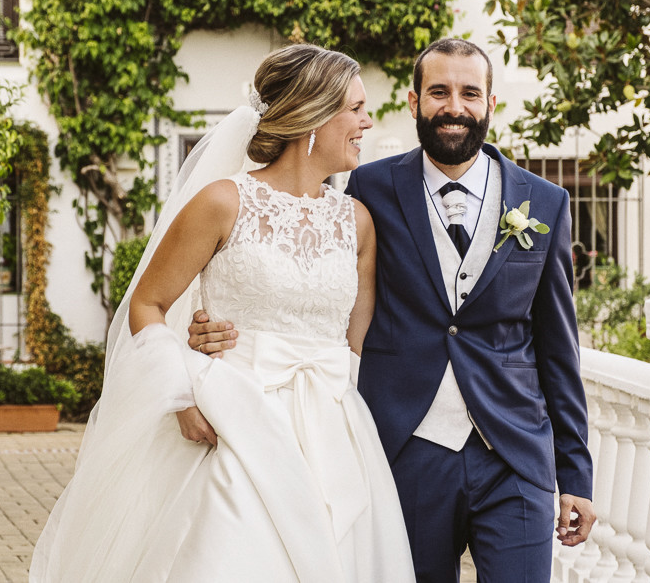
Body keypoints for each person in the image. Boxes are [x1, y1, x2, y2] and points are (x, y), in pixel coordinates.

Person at [192, 38, 595, 581]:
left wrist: (576, 475)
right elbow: (317, 293)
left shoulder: (544, 201)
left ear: (491, 104)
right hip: (405, 450)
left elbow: (558, 348)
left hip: (514, 454)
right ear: (413, 101)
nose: (454, 106)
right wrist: (217, 330)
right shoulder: (370, 190)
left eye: (470, 92)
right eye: (438, 92)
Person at [30, 44, 415, 583]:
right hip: (235, 421)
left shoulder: (358, 222)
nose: (366, 122)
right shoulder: (222, 201)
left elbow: (355, 343)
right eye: (355, 108)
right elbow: (148, 303)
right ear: (312, 113)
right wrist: (181, 396)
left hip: (333, 431)